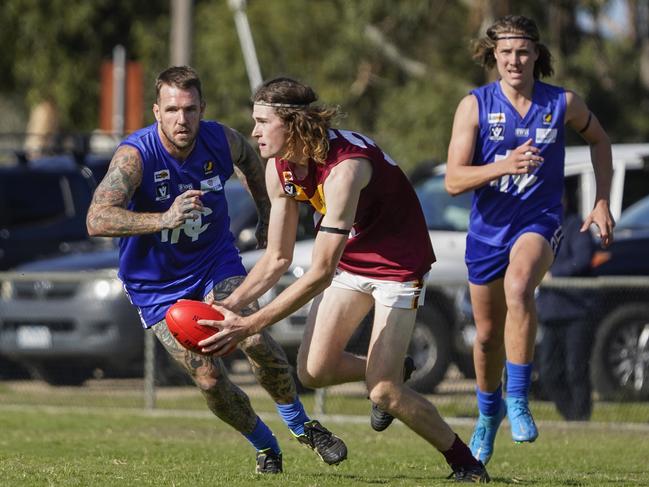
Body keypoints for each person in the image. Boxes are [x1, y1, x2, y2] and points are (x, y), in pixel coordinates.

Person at [198, 76, 490, 483]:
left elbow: (318, 273)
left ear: (294, 123)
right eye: (254, 121)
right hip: (353, 262)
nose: (254, 132)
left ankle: (466, 463)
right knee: (313, 372)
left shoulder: (346, 169)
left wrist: (250, 324)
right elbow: (278, 257)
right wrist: (228, 307)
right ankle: (392, 368)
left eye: (263, 122)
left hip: (397, 267)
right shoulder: (278, 168)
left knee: (383, 392)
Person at [86, 66, 347, 474]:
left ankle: (303, 426)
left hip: (214, 263)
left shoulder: (220, 139)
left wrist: (266, 214)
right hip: (158, 287)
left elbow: (252, 161)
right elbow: (96, 219)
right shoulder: (135, 156)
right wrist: (162, 219)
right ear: (156, 111)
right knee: (208, 378)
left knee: (254, 336)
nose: (181, 119)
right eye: (172, 109)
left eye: (190, 109)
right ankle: (265, 445)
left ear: (202, 108)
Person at [445, 14, 614, 465]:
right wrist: (503, 165)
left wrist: (600, 201)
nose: (514, 60)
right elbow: (454, 180)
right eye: (506, 53)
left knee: (520, 288)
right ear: (493, 56)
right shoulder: (475, 105)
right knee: (484, 338)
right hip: (486, 232)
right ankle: (487, 415)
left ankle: (518, 399)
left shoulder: (563, 103)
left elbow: (600, 141)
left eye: (523, 51)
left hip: (538, 221)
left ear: (537, 54)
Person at [536, 189, 597, 421]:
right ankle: (571, 416)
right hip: (550, 313)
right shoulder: (539, 228)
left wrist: (554, 276)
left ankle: (581, 419)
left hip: (576, 311)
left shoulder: (575, 226)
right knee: (549, 372)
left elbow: (582, 260)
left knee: (576, 370)